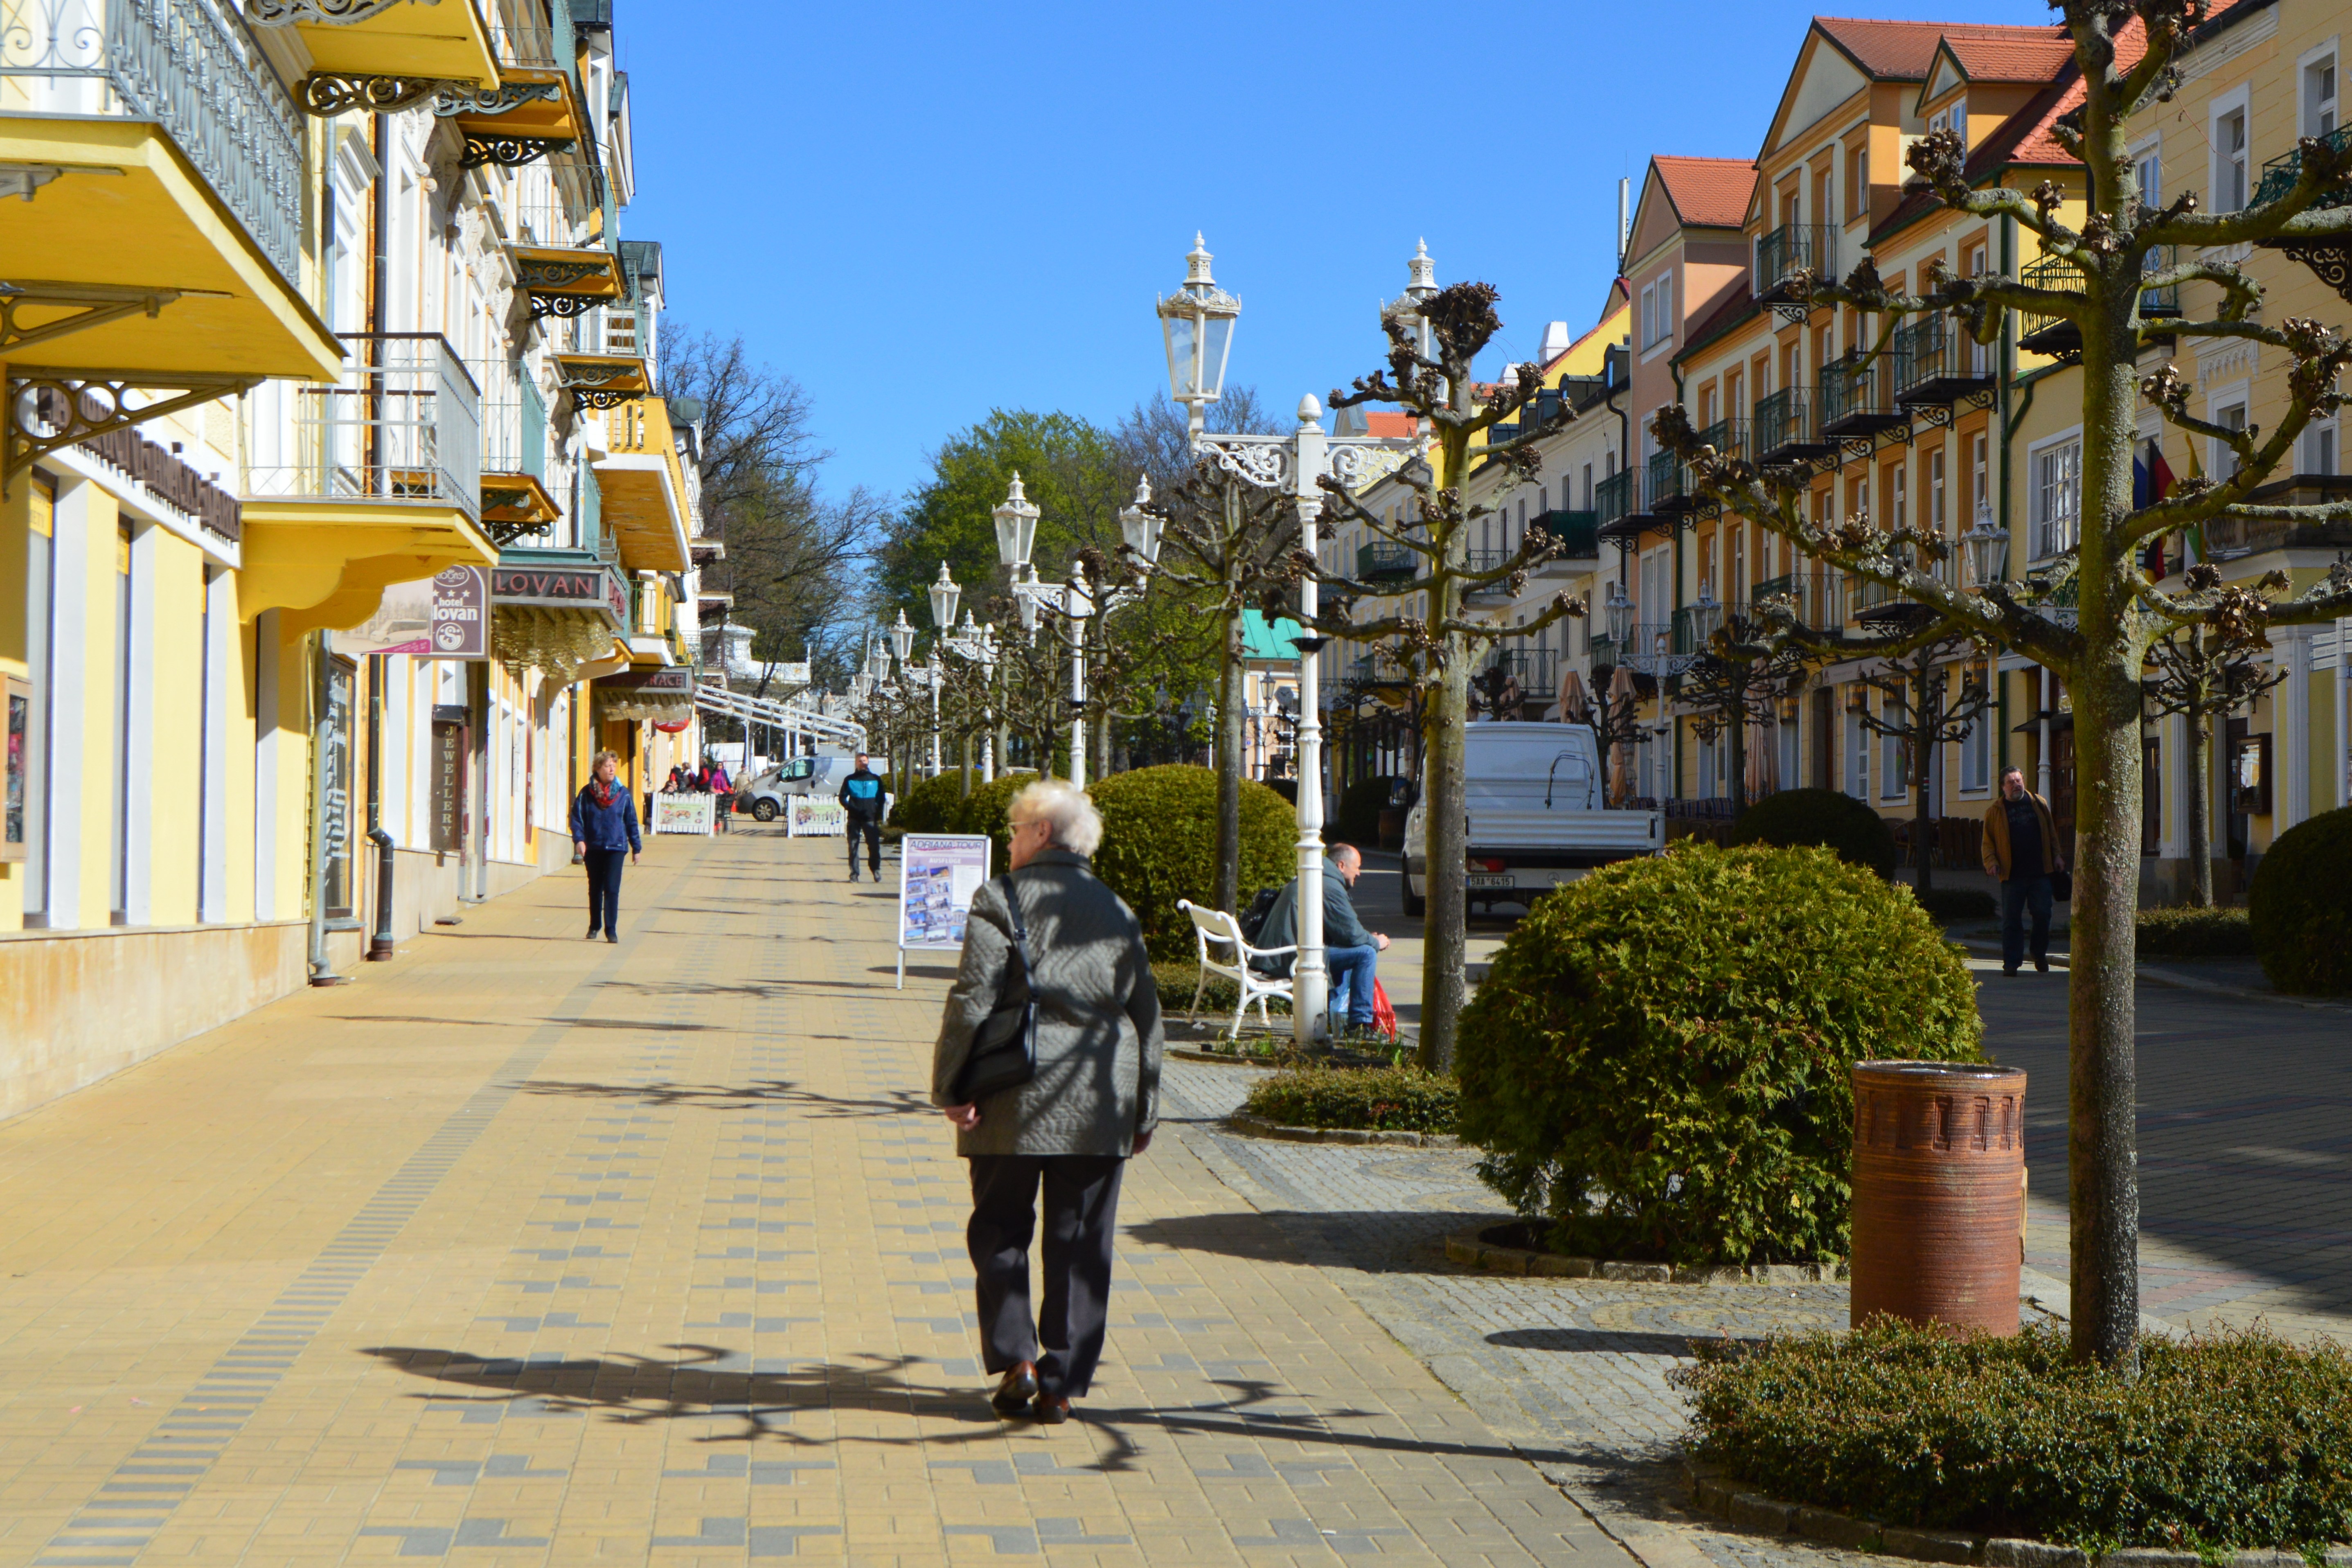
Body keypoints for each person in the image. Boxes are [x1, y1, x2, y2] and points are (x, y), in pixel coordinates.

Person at [932, 779, 1163, 1425]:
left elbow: (972, 1000)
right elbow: (1147, 1016)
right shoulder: (1116, 908)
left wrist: (951, 1087)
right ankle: (1061, 1385)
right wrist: (1145, 1108)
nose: (1008, 843)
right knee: (1082, 1243)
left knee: (1000, 1229)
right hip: (1100, 1096)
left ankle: (1018, 1362)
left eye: (1013, 831)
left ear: (1041, 834)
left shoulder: (1000, 898)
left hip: (1011, 1093)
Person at [1254, 843, 1390, 1037]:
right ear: (1342, 865)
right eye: (1357, 867)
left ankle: (1334, 1019)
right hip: (1290, 958)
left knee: (1355, 949)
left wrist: (1366, 938)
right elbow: (1351, 933)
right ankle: (1359, 1024)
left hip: (1282, 953)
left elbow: (1346, 932)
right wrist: (1376, 942)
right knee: (1366, 953)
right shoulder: (1328, 885)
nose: (1359, 873)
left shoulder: (1317, 876)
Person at [1982, 765, 2066, 976]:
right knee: (2011, 920)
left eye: (2019, 781)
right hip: (2012, 875)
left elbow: (2051, 832)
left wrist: (2057, 855)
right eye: (2011, 782)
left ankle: (2039, 954)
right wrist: (1991, 862)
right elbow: (1988, 843)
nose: (2016, 785)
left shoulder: (2039, 803)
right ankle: (2011, 963)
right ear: (2003, 787)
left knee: (2043, 915)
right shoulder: (1995, 812)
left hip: (2041, 872)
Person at [570, 749, 640, 943]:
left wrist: (637, 848)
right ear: (598, 769)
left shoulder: (623, 794)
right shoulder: (586, 794)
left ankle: (611, 930)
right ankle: (594, 926)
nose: (612, 769)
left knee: (612, 889)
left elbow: (631, 821)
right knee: (595, 888)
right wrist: (579, 840)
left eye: (614, 765)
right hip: (593, 847)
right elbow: (577, 818)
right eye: (608, 766)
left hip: (616, 847)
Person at [838, 752, 885, 881]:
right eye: (860, 761)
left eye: (864, 761)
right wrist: (850, 807)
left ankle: (876, 870)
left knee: (874, 846)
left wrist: (876, 811)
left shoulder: (875, 779)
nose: (862, 763)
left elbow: (881, 798)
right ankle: (854, 874)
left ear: (868, 762)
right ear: (856, 763)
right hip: (854, 818)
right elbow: (842, 797)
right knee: (853, 846)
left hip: (870, 818)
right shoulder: (850, 779)